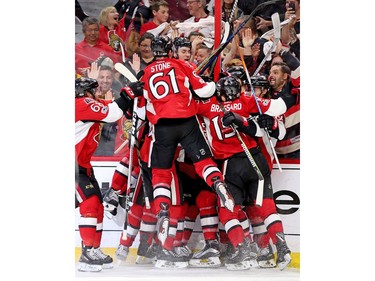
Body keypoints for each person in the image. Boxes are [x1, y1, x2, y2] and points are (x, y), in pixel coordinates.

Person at [140, 35, 235, 266]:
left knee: (161, 173)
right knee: (203, 161)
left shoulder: (147, 72)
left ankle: (162, 208)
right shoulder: (180, 64)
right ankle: (217, 182)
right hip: (185, 120)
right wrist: (207, 82)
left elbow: (146, 105)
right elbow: (204, 91)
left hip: (162, 127)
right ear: (171, 50)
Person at [195, 74, 295, 270]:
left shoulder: (207, 106)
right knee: (266, 207)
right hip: (256, 159)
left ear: (220, 94)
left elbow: (185, 106)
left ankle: (241, 249)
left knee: (228, 210)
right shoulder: (247, 100)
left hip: (231, 164)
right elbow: (279, 108)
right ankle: (282, 248)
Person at [75, 76, 144, 272]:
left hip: (83, 167)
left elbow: (115, 106)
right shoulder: (81, 104)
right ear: (84, 93)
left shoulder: (87, 104)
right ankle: (87, 253)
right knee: (89, 205)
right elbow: (113, 113)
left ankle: (94, 249)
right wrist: (129, 91)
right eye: (93, 90)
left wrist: (129, 99)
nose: (97, 93)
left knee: (96, 206)